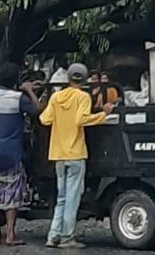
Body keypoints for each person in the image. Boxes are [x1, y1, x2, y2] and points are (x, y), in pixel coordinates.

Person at [40, 63, 114, 249]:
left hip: (57, 153)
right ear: (84, 78)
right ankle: (66, 237)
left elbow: (44, 119)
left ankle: (53, 235)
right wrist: (102, 115)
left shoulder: (56, 97)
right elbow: (81, 119)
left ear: (69, 78)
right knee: (73, 197)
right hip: (75, 153)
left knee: (62, 197)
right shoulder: (83, 97)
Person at [0, 62, 41, 246]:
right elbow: (38, 111)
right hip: (12, 152)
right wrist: (29, 91)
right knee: (12, 194)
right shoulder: (18, 99)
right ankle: (10, 234)